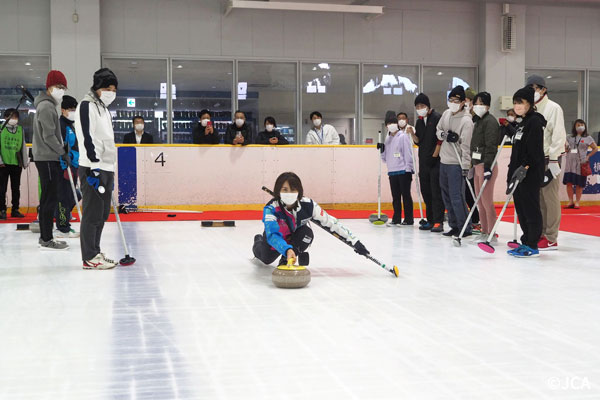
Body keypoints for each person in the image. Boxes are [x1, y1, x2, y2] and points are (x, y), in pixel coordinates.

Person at [253, 172, 370, 266]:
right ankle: (258, 241)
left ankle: (285, 259)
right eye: (285, 190)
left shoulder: (308, 205)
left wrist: (355, 242)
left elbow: (332, 223)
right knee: (266, 259)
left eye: (293, 189)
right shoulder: (271, 208)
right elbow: (272, 235)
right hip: (277, 237)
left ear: (299, 191)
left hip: (295, 235)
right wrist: (286, 249)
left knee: (306, 233)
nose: (289, 193)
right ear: (278, 191)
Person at [74, 68, 119, 269]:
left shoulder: (104, 108)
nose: (112, 93)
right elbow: (86, 137)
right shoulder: (86, 106)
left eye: (115, 89)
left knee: (102, 214)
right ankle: (89, 257)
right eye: (109, 88)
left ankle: (95, 251)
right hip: (93, 167)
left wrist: (109, 168)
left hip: (107, 167)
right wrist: (94, 166)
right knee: (92, 213)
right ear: (99, 88)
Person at [526, 74, 566, 251]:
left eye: (536, 88)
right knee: (539, 198)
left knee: (549, 197)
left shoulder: (553, 108)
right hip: (536, 159)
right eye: (530, 88)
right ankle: (541, 232)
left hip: (550, 158)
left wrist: (554, 160)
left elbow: (558, 135)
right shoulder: (531, 109)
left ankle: (551, 236)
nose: (533, 91)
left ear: (543, 89)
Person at [32, 70, 70, 250]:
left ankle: (46, 236)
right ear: (49, 87)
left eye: (63, 87)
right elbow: (48, 135)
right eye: (58, 87)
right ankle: (46, 238)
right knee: (49, 198)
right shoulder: (46, 107)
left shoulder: (48, 105)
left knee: (50, 196)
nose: (61, 90)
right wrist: (62, 151)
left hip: (49, 157)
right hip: (47, 157)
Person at [507, 87, 546, 258]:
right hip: (518, 173)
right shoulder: (522, 123)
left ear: (529, 103)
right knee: (521, 209)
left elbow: (534, 149)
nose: (517, 106)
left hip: (529, 173)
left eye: (520, 102)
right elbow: (517, 150)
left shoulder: (534, 122)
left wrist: (526, 167)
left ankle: (533, 244)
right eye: (515, 102)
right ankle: (525, 241)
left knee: (531, 209)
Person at [436, 85, 474, 238]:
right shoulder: (446, 114)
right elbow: (437, 131)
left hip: (456, 164)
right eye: (450, 100)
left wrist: (465, 166)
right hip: (444, 161)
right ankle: (453, 225)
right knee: (446, 196)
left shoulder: (466, 121)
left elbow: (466, 146)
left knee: (456, 196)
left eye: (456, 100)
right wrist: (445, 135)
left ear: (463, 101)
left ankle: (464, 226)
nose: (452, 103)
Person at [410, 93, 444, 232]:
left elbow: (440, 139)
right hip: (423, 162)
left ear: (428, 106)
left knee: (436, 192)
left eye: (422, 106)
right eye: (417, 106)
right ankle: (430, 220)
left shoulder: (437, 118)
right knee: (426, 192)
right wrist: (412, 134)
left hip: (435, 162)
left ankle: (438, 221)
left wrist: (434, 156)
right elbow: (418, 141)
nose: (420, 108)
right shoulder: (419, 121)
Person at [470, 92, 500, 241]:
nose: (478, 106)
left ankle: (492, 232)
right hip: (477, 166)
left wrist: (487, 167)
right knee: (479, 201)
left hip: (486, 165)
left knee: (487, 202)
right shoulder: (478, 121)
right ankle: (484, 230)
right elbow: (474, 146)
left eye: (481, 103)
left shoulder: (490, 122)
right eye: (476, 103)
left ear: (487, 106)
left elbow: (491, 147)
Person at [379, 114, 414, 226]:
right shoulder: (387, 139)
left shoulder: (403, 136)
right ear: (386, 126)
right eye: (389, 123)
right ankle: (396, 218)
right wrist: (382, 150)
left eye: (393, 122)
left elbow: (408, 153)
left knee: (406, 195)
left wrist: (409, 168)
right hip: (392, 171)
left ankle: (409, 219)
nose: (391, 125)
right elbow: (385, 159)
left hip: (403, 170)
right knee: (395, 197)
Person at [55, 95, 80, 238]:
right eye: (70, 109)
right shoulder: (61, 125)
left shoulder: (71, 125)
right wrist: (64, 163)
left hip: (74, 165)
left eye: (74, 109)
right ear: (63, 110)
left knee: (72, 195)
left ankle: (64, 222)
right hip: (66, 166)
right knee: (64, 197)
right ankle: (62, 227)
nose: (73, 112)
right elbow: (61, 147)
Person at [0, 108, 28, 219]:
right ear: (6, 118)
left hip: (16, 163)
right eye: (11, 117)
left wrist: (24, 162)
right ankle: (2, 210)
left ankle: (15, 209)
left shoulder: (21, 130)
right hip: (3, 164)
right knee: (2, 188)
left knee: (16, 188)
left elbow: (23, 147)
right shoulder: (1, 129)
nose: (14, 120)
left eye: (15, 117)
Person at [563, 119, 598, 209]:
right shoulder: (569, 137)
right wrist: (566, 149)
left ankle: (577, 202)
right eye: (578, 125)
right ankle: (570, 201)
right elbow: (565, 147)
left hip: (581, 163)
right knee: (569, 183)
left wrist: (588, 156)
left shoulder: (588, 138)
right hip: (570, 163)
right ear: (575, 126)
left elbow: (595, 148)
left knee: (579, 184)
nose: (580, 126)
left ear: (585, 126)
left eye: (582, 125)